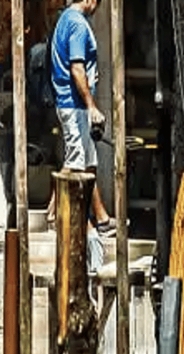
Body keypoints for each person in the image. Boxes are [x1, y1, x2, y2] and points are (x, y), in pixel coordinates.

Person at [49, 0, 115, 234]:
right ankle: (73, 221)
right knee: (76, 166)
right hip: (74, 104)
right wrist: (91, 106)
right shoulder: (77, 24)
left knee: (88, 163)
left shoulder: (66, 19)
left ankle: (99, 217)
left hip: (73, 104)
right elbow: (77, 68)